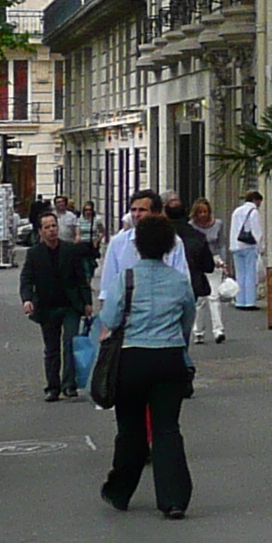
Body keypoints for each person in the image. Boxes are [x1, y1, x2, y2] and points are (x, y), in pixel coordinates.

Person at [94, 213, 199, 519]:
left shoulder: (125, 279)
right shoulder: (179, 281)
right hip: (169, 358)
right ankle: (174, 498)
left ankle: (120, 490)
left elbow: (110, 319)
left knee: (130, 429)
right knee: (167, 428)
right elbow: (187, 319)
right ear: (168, 246)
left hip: (131, 359)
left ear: (137, 246)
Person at [18, 213, 92, 401]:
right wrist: (27, 299)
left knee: (70, 342)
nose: (52, 230)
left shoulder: (69, 250)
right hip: (47, 307)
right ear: (40, 232)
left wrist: (87, 302)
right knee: (51, 349)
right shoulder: (34, 254)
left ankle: (69, 385)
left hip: (70, 306)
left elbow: (81, 278)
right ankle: (53, 386)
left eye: (54, 226)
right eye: (47, 227)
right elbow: (27, 279)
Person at [98, 189, 192, 297]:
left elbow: (182, 279)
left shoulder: (173, 242)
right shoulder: (118, 243)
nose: (136, 215)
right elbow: (108, 285)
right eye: (133, 210)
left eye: (142, 210)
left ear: (156, 213)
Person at [171, 195, 225, 345]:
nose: (203, 215)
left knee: (214, 297)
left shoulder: (218, 224)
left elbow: (221, 244)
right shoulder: (191, 227)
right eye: (200, 212)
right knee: (200, 301)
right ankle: (198, 331)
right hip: (196, 263)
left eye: (206, 212)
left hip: (213, 260)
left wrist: (223, 260)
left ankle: (218, 330)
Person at [227, 190, 264, 310]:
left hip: (236, 246)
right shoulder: (253, 212)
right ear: (255, 200)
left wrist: (232, 245)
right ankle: (249, 302)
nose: (259, 204)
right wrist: (260, 247)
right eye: (259, 201)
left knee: (240, 274)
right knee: (250, 274)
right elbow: (256, 231)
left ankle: (240, 301)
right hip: (249, 246)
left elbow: (233, 229)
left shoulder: (237, 211)